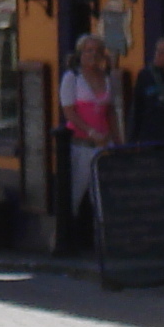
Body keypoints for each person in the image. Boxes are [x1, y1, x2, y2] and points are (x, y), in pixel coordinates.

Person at [59, 33, 119, 237]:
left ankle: (105, 240)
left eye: (97, 51)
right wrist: (90, 132)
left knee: (104, 195)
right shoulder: (72, 78)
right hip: (81, 144)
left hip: (105, 144)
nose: (93, 55)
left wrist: (118, 140)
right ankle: (65, 237)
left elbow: (110, 111)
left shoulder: (107, 77)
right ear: (80, 53)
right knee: (75, 192)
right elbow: (69, 112)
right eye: (88, 50)